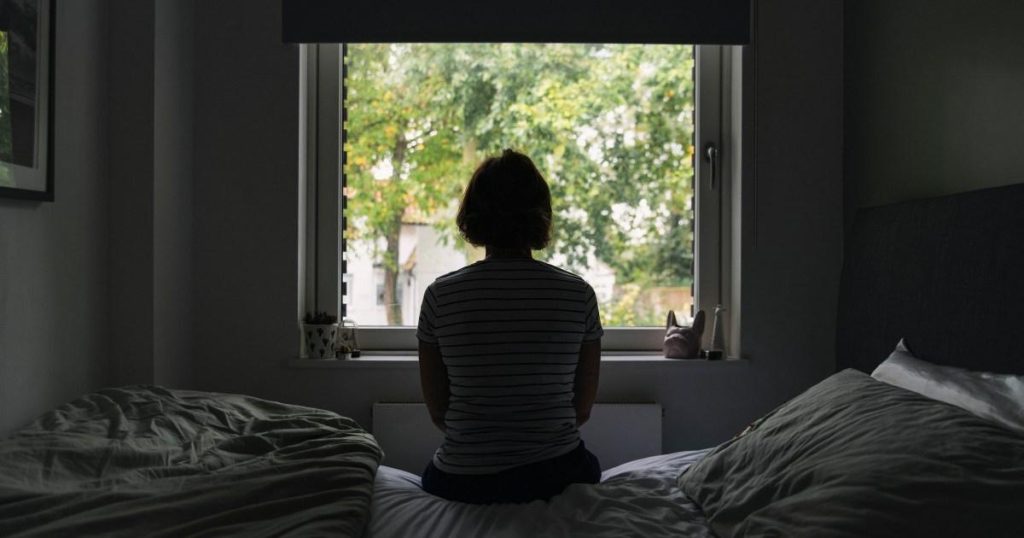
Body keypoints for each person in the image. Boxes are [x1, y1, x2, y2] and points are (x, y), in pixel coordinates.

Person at [417, 149, 603, 504]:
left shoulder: (440, 296)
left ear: (473, 214)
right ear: (541, 214)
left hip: (464, 480)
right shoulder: (578, 294)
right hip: (557, 474)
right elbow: (581, 410)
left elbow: (439, 411)